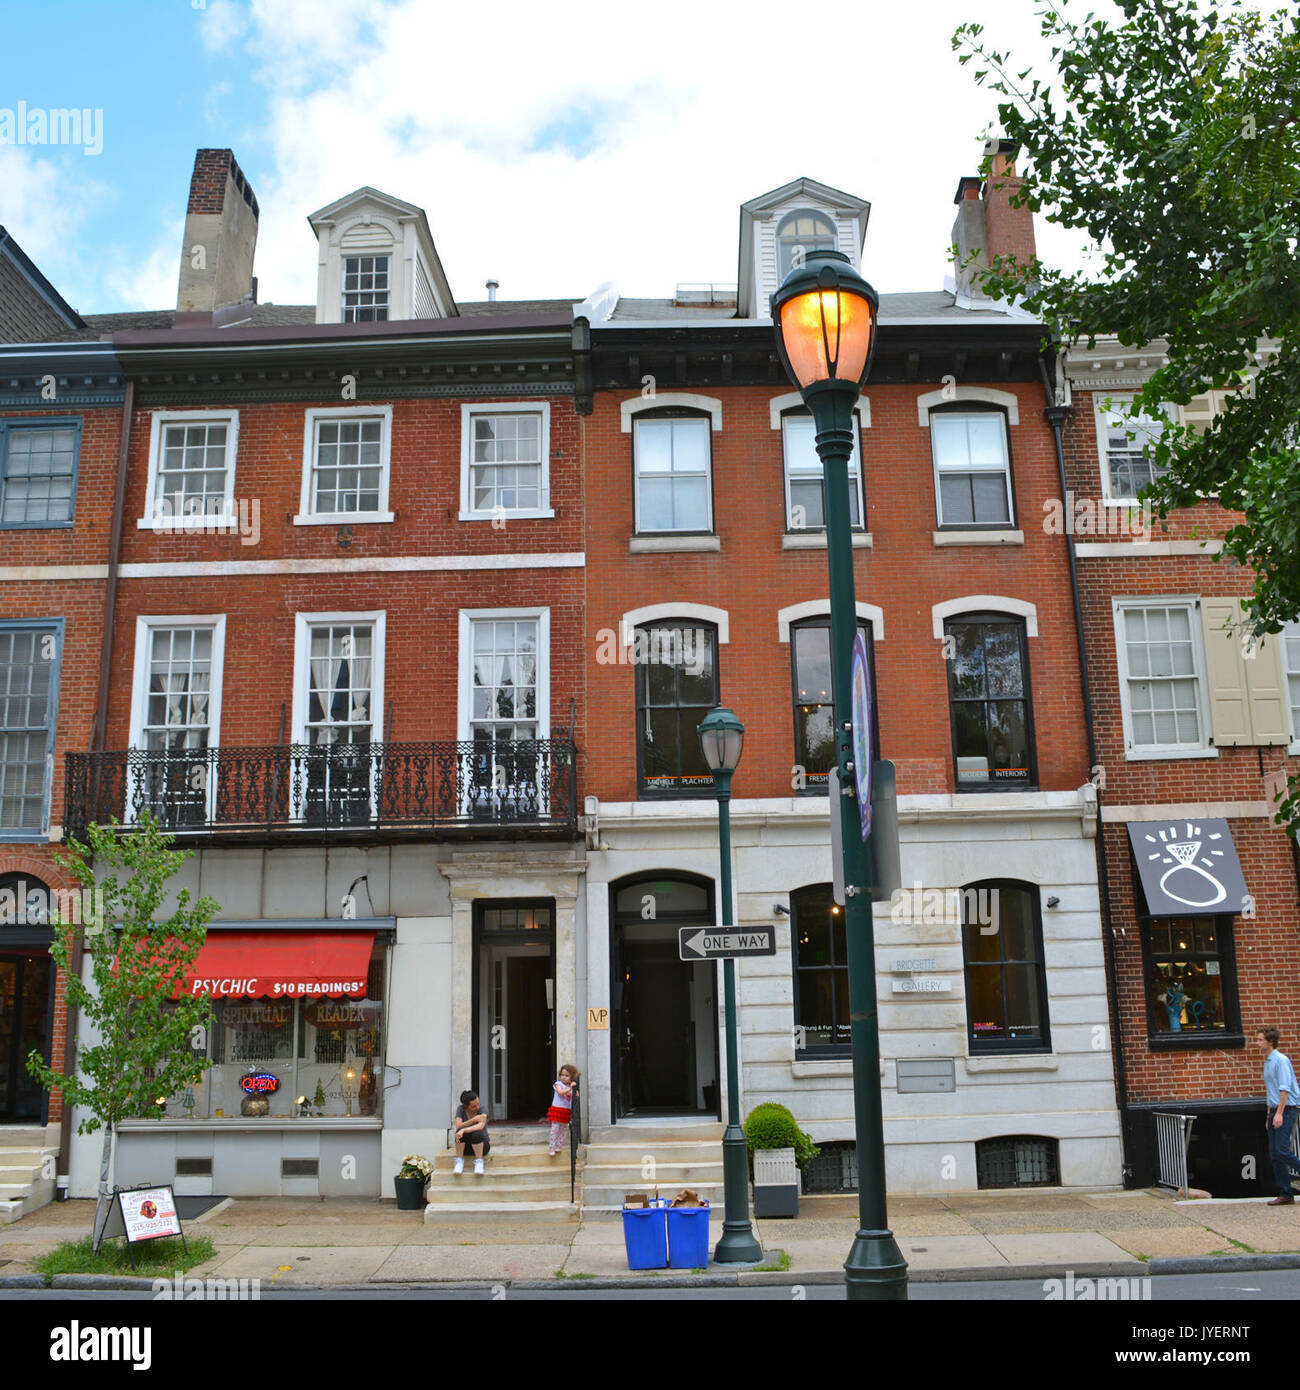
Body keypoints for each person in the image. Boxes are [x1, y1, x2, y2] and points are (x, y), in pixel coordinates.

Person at [1256, 1027, 1300, 1205]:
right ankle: (1286, 1193)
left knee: (1282, 1150)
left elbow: (1284, 1089)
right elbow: (1271, 1092)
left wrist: (1279, 1114)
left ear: (1270, 1041)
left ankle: (1286, 1192)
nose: (1257, 1043)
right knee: (1274, 1154)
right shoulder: (1267, 1061)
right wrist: (1269, 1115)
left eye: (1260, 1040)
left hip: (1287, 1109)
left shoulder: (1280, 1061)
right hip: (1275, 1110)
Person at [453, 1089, 490, 1176]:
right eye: (473, 1106)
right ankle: (459, 1162)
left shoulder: (483, 1109)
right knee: (459, 1133)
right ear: (466, 1106)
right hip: (465, 1148)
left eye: (478, 1103)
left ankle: (479, 1162)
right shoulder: (461, 1109)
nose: (477, 1107)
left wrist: (464, 1129)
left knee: (477, 1133)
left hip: (482, 1146)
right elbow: (458, 1125)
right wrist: (474, 1119)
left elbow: (480, 1126)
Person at [547, 1064, 579, 1157]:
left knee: (564, 1129)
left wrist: (575, 1091)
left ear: (571, 1077)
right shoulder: (558, 1084)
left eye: (566, 1075)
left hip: (566, 1111)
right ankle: (551, 1147)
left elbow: (575, 1097)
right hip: (557, 1109)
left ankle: (558, 1145)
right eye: (562, 1075)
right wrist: (570, 1088)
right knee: (555, 1129)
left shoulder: (572, 1087)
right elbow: (560, 1092)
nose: (564, 1077)